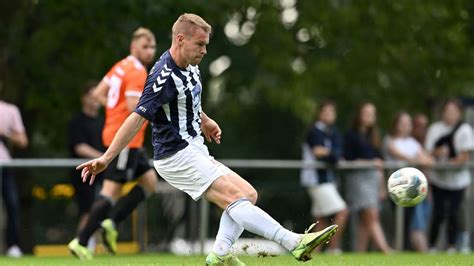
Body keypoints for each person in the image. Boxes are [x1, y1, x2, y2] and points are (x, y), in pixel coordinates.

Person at [77, 13, 338, 265]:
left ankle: (220, 254)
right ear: (180, 39)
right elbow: (136, 118)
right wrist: (106, 158)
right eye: (199, 44)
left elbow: (187, 101)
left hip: (194, 149)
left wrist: (205, 120)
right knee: (234, 197)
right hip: (175, 155)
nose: (204, 50)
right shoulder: (162, 76)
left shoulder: (191, 67)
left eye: (206, 45)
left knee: (248, 194)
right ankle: (292, 241)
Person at [68, 27, 160, 260]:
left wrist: (113, 109)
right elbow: (133, 108)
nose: (149, 51)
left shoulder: (120, 66)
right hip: (125, 139)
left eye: (152, 47)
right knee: (110, 191)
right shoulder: (138, 72)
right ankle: (81, 240)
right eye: (145, 47)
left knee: (149, 182)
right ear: (133, 47)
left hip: (123, 137)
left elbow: (100, 93)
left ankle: (111, 222)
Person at [425, 99, 473, 253]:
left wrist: (451, 162)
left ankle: (452, 246)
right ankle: (432, 246)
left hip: (458, 180)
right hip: (439, 179)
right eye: (447, 111)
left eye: (453, 112)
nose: (450, 115)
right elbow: (428, 152)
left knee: (454, 212)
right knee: (438, 212)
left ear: (459, 113)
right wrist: (438, 153)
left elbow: (465, 154)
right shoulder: (435, 129)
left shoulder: (464, 129)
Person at [300, 101, 348, 254]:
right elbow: (319, 152)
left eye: (332, 112)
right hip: (316, 179)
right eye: (326, 112)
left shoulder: (331, 132)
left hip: (326, 179)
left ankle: (313, 252)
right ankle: (333, 248)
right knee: (342, 212)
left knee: (321, 220)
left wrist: (332, 154)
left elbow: (335, 153)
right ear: (319, 114)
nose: (329, 115)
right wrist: (333, 155)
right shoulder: (315, 131)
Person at [343, 102, 392, 254]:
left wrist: (382, 187)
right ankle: (384, 248)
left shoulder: (374, 137)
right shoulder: (351, 135)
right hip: (358, 178)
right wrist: (370, 163)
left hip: (373, 179)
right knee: (371, 215)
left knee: (366, 219)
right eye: (366, 113)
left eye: (372, 113)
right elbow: (347, 159)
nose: (369, 116)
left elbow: (380, 165)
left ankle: (360, 252)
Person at [384, 111, 433, 252]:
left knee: (413, 221)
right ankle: (400, 248)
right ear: (396, 125)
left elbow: (428, 161)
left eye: (408, 123)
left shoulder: (413, 143)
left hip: (415, 188)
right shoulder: (390, 141)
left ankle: (409, 250)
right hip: (397, 188)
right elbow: (402, 156)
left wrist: (420, 159)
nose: (406, 126)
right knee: (401, 221)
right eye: (403, 123)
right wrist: (418, 159)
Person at [68, 81, 104, 251]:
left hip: (102, 173)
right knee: (87, 210)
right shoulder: (77, 121)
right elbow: (79, 147)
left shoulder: (103, 121)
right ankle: (81, 243)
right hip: (83, 173)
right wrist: (103, 157)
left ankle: (90, 245)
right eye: (91, 96)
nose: (94, 100)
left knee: (100, 210)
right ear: (84, 98)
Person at [0, 100, 28, 257]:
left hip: (4, 165)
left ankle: (13, 246)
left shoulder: (9, 110)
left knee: (12, 205)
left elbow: (23, 141)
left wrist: (5, 133)